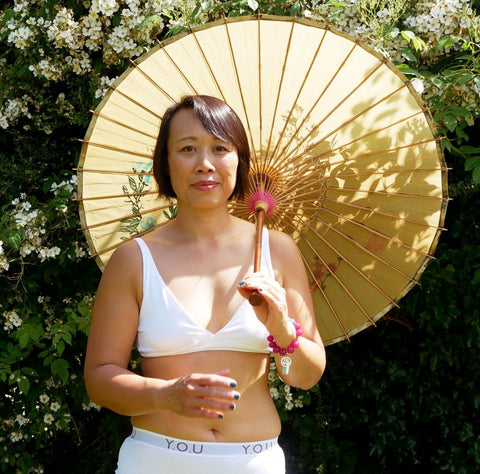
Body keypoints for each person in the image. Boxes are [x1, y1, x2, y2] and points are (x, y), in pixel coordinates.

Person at [84, 95, 326, 473]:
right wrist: (167, 395)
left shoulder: (277, 251)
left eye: (219, 148)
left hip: (254, 462)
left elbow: (306, 376)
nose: (205, 164)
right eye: (187, 149)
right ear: (165, 162)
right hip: (156, 460)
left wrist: (280, 326)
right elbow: (99, 378)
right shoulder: (134, 259)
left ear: (239, 160)